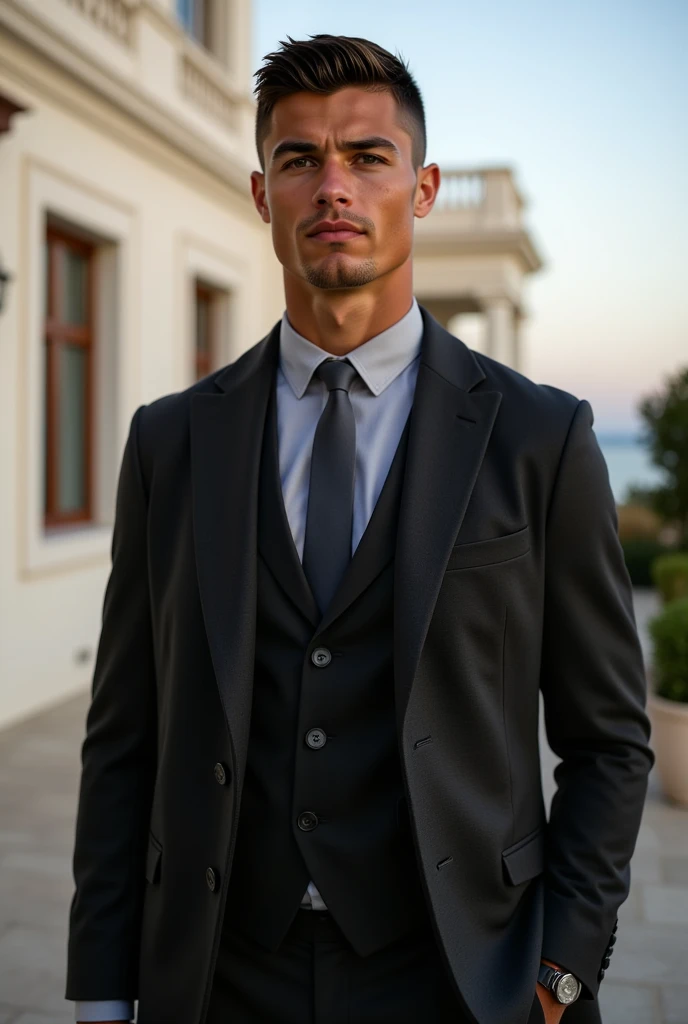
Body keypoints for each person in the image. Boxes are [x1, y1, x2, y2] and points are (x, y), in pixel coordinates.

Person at [65, 34, 653, 1024]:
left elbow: (609, 741)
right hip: (218, 975)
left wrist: (559, 972)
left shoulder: (538, 437)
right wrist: (98, 994)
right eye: (298, 160)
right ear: (262, 196)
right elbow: (124, 738)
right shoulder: (169, 442)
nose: (331, 186)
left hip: (460, 975)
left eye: (367, 157)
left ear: (419, 189)